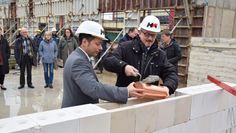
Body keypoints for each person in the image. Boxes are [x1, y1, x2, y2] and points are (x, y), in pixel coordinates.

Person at [61, 21, 144, 107]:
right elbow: (94, 88)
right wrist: (126, 92)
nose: (100, 48)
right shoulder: (78, 61)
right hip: (76, 114)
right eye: (97, 44)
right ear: (85, 42)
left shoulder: (78, 57)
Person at [103, 15, 178, 95]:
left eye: (153, 35)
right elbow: (108, 61)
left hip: (148, 99)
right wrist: (124, 67)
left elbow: (171, 73)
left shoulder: (160, 54)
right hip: (126, 97)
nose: (150, 38)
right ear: (139, 32)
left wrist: (167, 88)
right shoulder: (125, 47)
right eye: (146, 34)